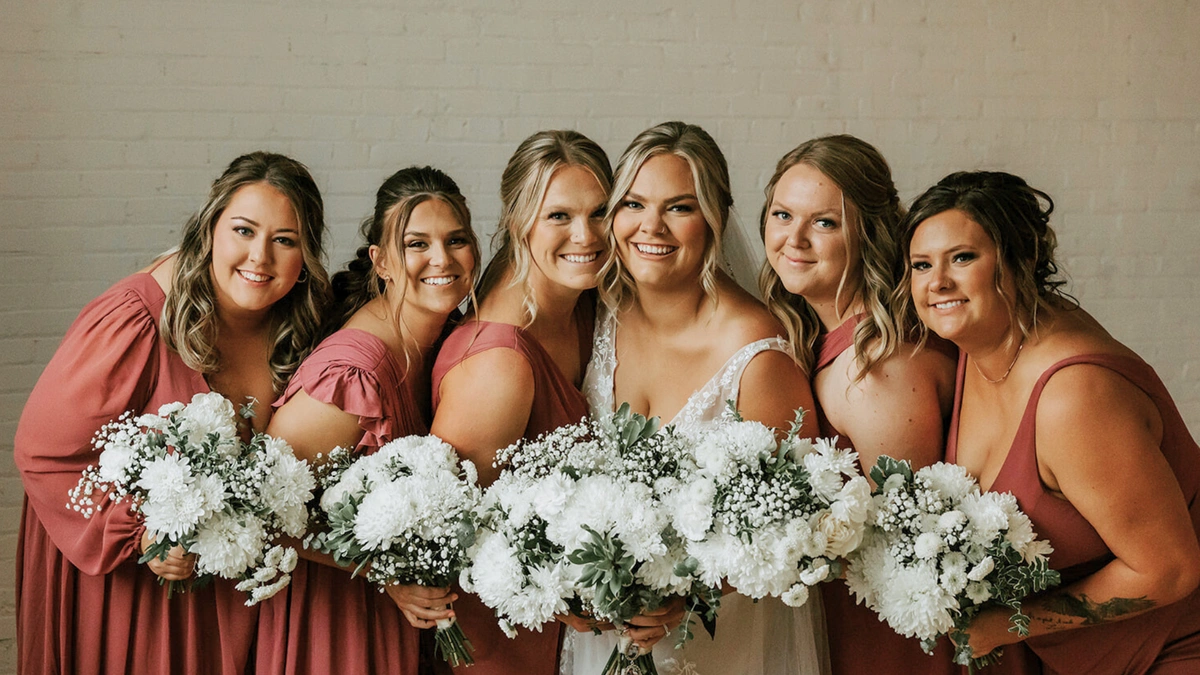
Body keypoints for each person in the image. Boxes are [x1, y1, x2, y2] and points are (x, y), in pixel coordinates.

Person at [14, 152, 331, 675]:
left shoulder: (301, 330)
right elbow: (42, 451)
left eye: (285, 240)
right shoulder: (135, 320)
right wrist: (141, 533)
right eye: (244, 230)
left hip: (224, 595)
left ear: (305, 256)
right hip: (125, 585)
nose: (260, 257)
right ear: (209, 231)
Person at [898, 170, 1200, 675]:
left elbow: (1170, 568)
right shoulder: (983, 339)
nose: (937, 283)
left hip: (1173, 649)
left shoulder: (1074, 397)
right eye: (921, 264)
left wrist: (1006, 623)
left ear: (1024, 258)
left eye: (963, 258)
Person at [566, 121, 827, 675]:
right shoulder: (595, 314)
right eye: (634, 203)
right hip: (605, 635)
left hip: (717, 639)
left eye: (679, 207)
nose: (650, 226)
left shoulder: (759, 357)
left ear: (714, 220)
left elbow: (792, 531)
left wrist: (689, 597)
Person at [257, 166, 480, 674]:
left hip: (398, 619)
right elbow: (264, 513)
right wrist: (386, 571)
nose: (441, 259)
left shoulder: (445, 342)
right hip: (336, 626)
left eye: (456, 240)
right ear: (381, 261)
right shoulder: (352, 373)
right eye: (416, 243)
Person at [758, 135, 962, 675]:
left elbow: (908, 543)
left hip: (898, 640)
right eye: (782, 214)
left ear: (867, 233)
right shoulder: (827, 334)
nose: (794, 239)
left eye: (824, 223)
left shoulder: (878, 367)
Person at [430, 130, 613, 675]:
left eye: (600, 212)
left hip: (575, 633)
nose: (585, 234)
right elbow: (452, 532)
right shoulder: (500, 362)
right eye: (559, 215)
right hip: (503, 637)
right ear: (518, 222)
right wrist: (562, 591)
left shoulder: (587, 308)